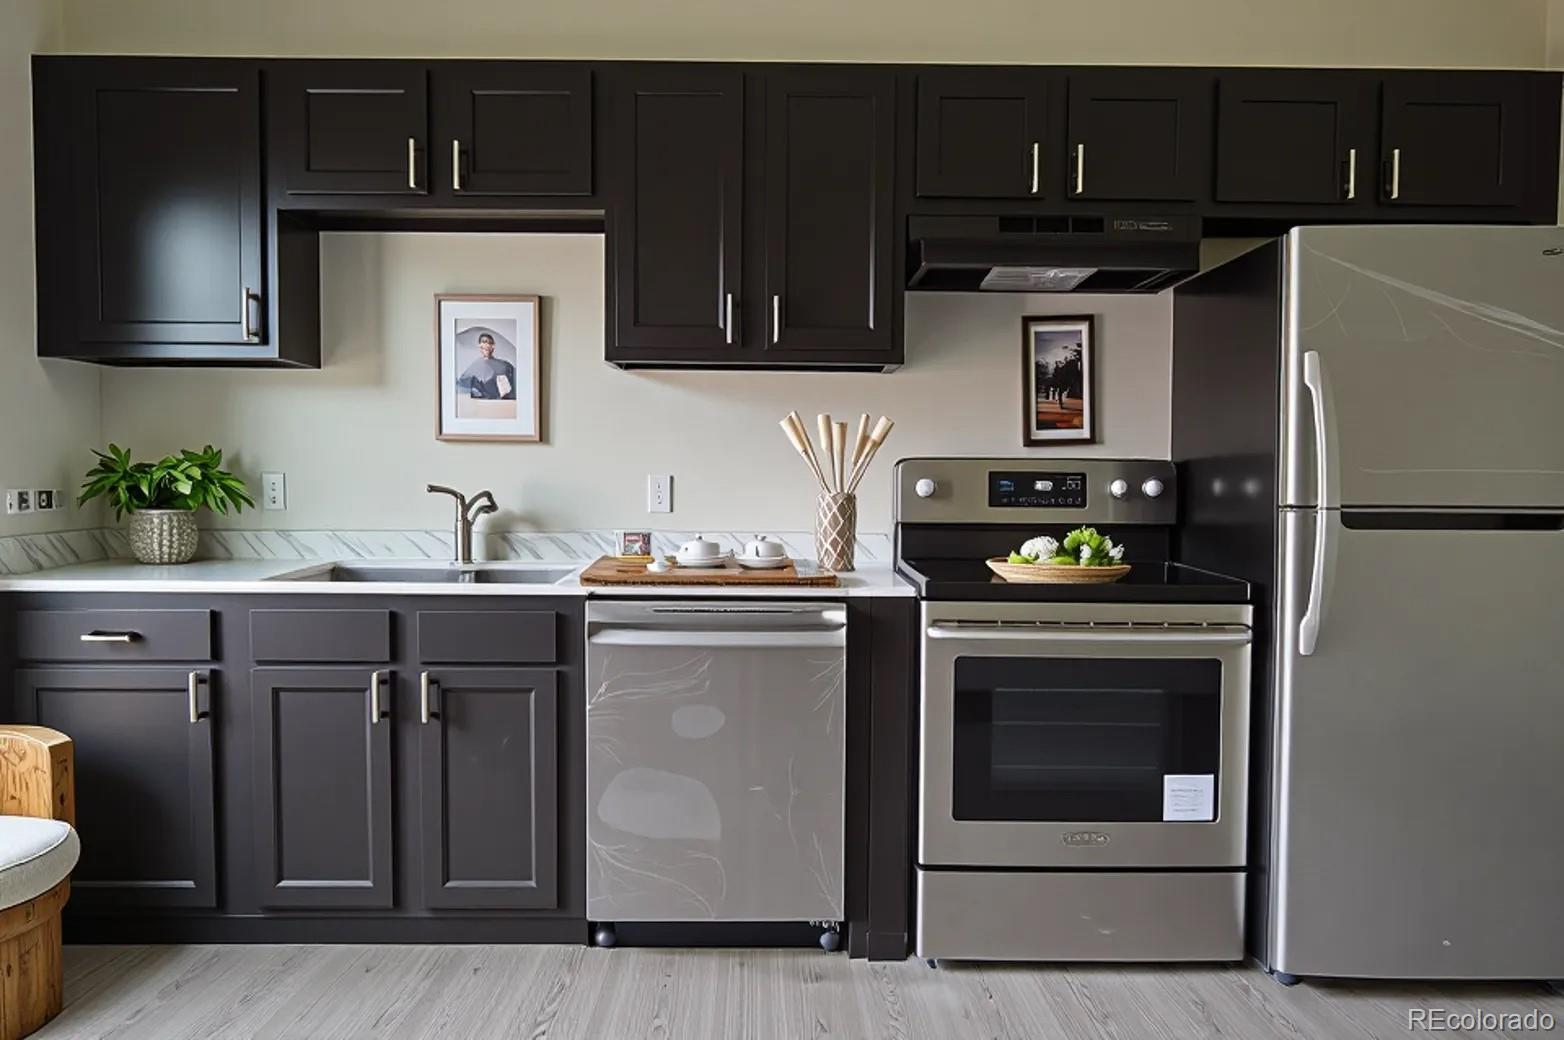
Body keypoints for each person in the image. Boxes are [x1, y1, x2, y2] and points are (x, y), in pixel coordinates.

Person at [457, 332, 517, 400]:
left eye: (490, 343)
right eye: (484, 342)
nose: (487, 345)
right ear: (479, 345)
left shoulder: (505, 366)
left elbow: (510, 390)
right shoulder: (475, 365)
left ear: (493, 346)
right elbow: (463, 383)